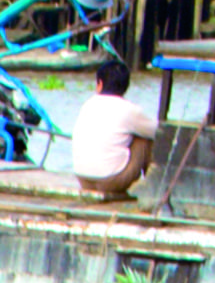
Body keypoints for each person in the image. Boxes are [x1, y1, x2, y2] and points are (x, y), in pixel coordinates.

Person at [59, 50, 156, 201]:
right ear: (126, 87)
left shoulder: (88, 105)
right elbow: (157, 132)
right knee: (143, 139)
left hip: (83, 179)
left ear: (100, 84)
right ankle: (154, 189)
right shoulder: (129, 109)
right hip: (110, 181)